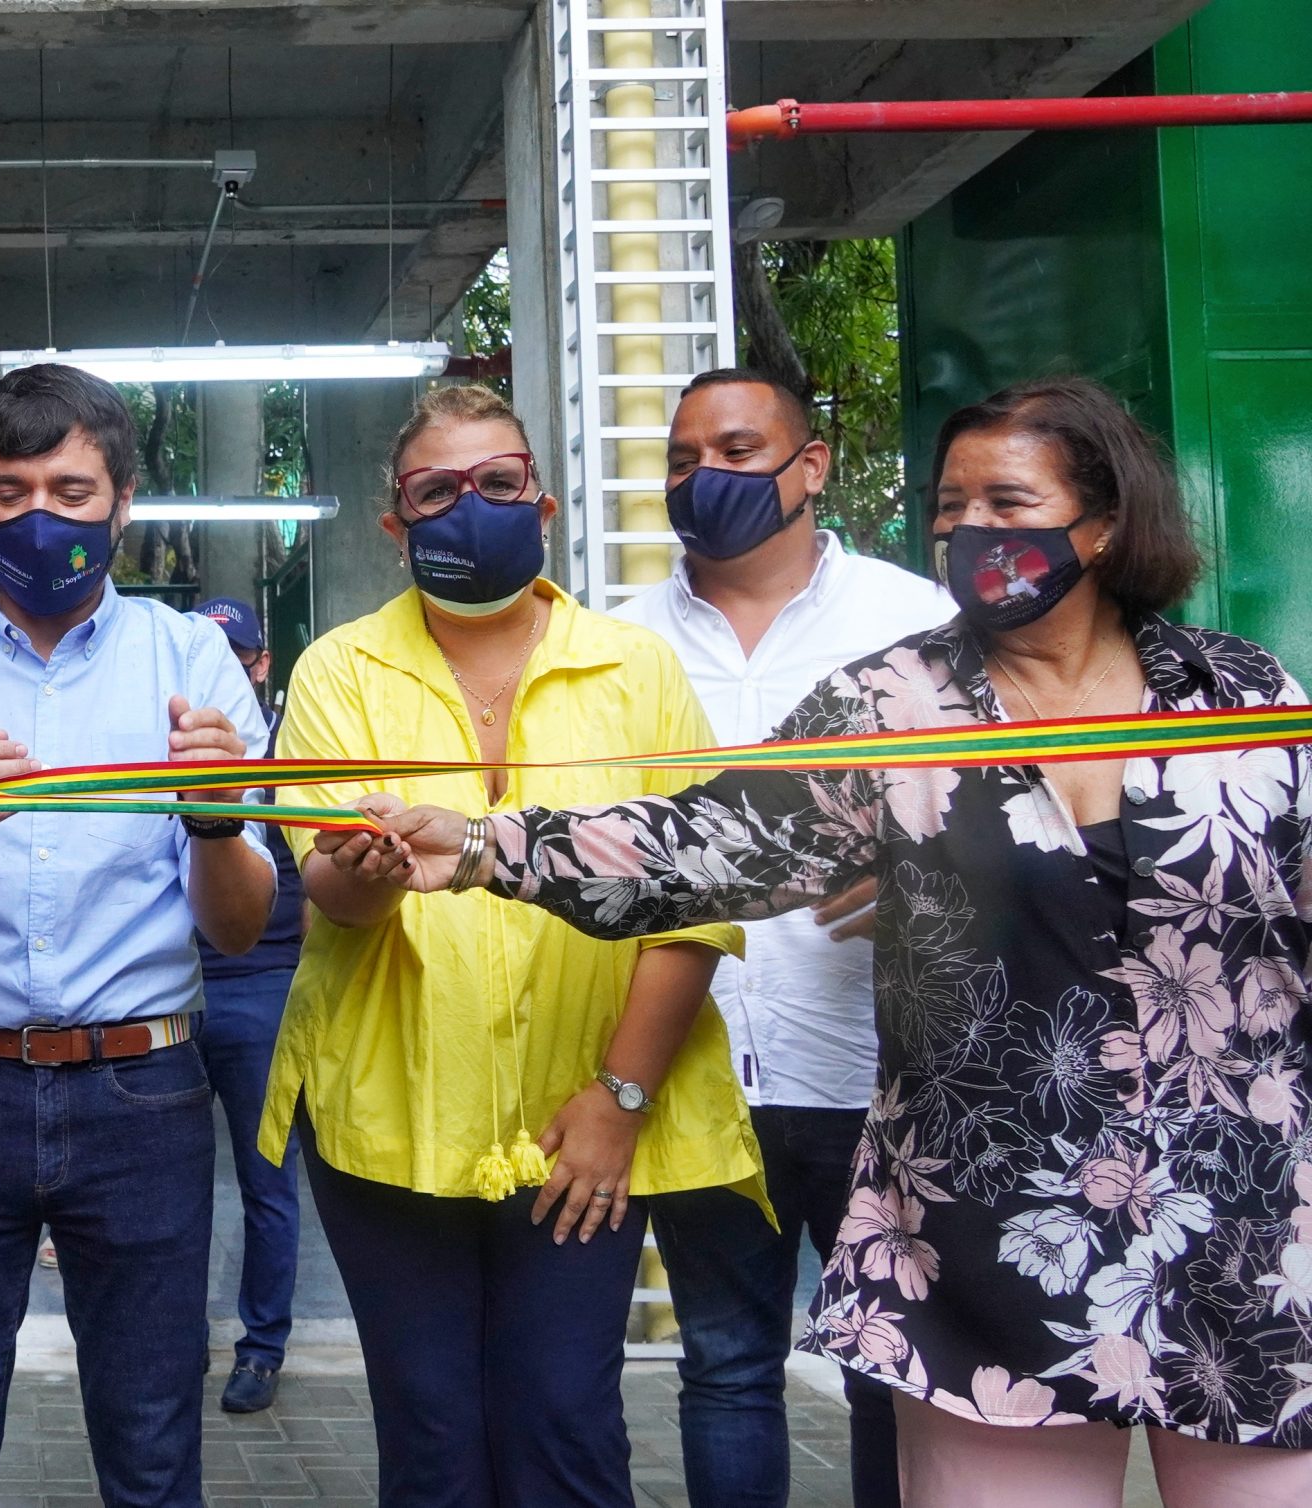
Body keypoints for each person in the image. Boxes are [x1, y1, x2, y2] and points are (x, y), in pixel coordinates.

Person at [375, 377, 1312, 1505]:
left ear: (1103, 523)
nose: (970, 530)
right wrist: (482, 846)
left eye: (1007, 504)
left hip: (1248, 1241)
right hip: (992, 1243)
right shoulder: (892, 699)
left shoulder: (1239, 693)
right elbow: (706, 842)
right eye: (950, 507)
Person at [263, 382, 762, 1507]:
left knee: (563, 1426)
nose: (470, 504)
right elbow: (326, 891)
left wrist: (619, 1096)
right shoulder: (338, 670)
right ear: (395, 525)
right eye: (436, 490)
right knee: (431, 1439)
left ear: (539, 500)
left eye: (497, 481)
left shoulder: (633, 668)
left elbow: (690, 897)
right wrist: (364, 875)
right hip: (387, 1108)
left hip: (582, 1111)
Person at [0, 362, 276, 1508]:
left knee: (152, 1445)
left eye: (71, 491)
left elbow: (238, 926)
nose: (39, 517)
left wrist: (217, 820)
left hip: (143, 1092)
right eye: (10, 488)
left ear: (123, 501)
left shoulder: (191, 665)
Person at [619, 369, 953, 1508]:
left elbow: (1029, 811)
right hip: (699, 1065)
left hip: (880, 1066)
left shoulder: (919, 630)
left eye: (735, 448)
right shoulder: (620, 646)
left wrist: (929, 867)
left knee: (888, 1372)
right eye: (681, 458)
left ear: (810, 466)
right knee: (723, 1367)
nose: (702, 477)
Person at [188, 595, 306, 1416]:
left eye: (234, 655)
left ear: (259, 665)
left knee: (268, 1182)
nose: (219, 670)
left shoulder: (292, 754)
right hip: (169, 994)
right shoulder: (159, 755)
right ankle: (176, 1332)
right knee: (170, 1185)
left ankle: (261, 1348)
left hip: (263, 994)